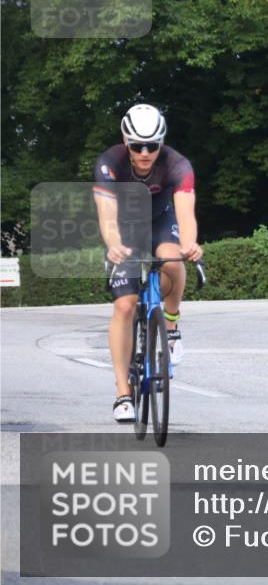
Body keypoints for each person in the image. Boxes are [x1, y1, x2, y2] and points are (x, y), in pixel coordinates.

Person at [92, 104, 202, 422]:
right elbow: (107, 216)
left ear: (161, 143)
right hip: (124, 229)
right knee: (125, 306)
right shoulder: (109, 164)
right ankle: (122, 393)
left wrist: (190, 243)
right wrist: (113, 246)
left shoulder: (177, 164)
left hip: (160, 222)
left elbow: (185, 213)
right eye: (137, 145)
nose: (144, 153)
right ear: (125, 140)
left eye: (152, 146)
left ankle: (171, 325)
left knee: (173, 258)